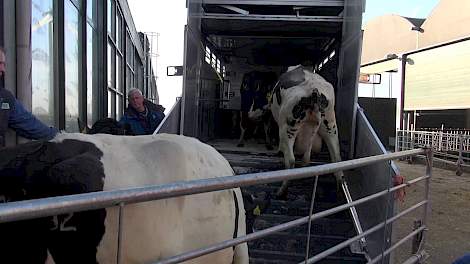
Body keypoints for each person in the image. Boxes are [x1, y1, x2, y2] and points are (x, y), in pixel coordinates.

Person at [0, 47, 58, 147]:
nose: (3, 69)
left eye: (4, 64)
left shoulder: (5, 99)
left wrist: (64, 136)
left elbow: (32, 126)